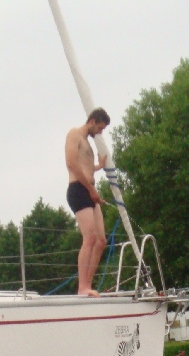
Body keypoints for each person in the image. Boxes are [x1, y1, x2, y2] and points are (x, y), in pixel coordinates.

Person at [65, 107, 110, 297]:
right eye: (100, 128)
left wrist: (98, 166)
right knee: (89, 238)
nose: (100, 132)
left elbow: (85, 166)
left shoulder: (88, 146)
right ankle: (82, 287)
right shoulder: (74, 134)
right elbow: (72, 163)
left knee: (101, 241)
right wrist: (91, 189)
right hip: (79, 190)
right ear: (92, 121)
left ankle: (88, 285)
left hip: (90, 192)